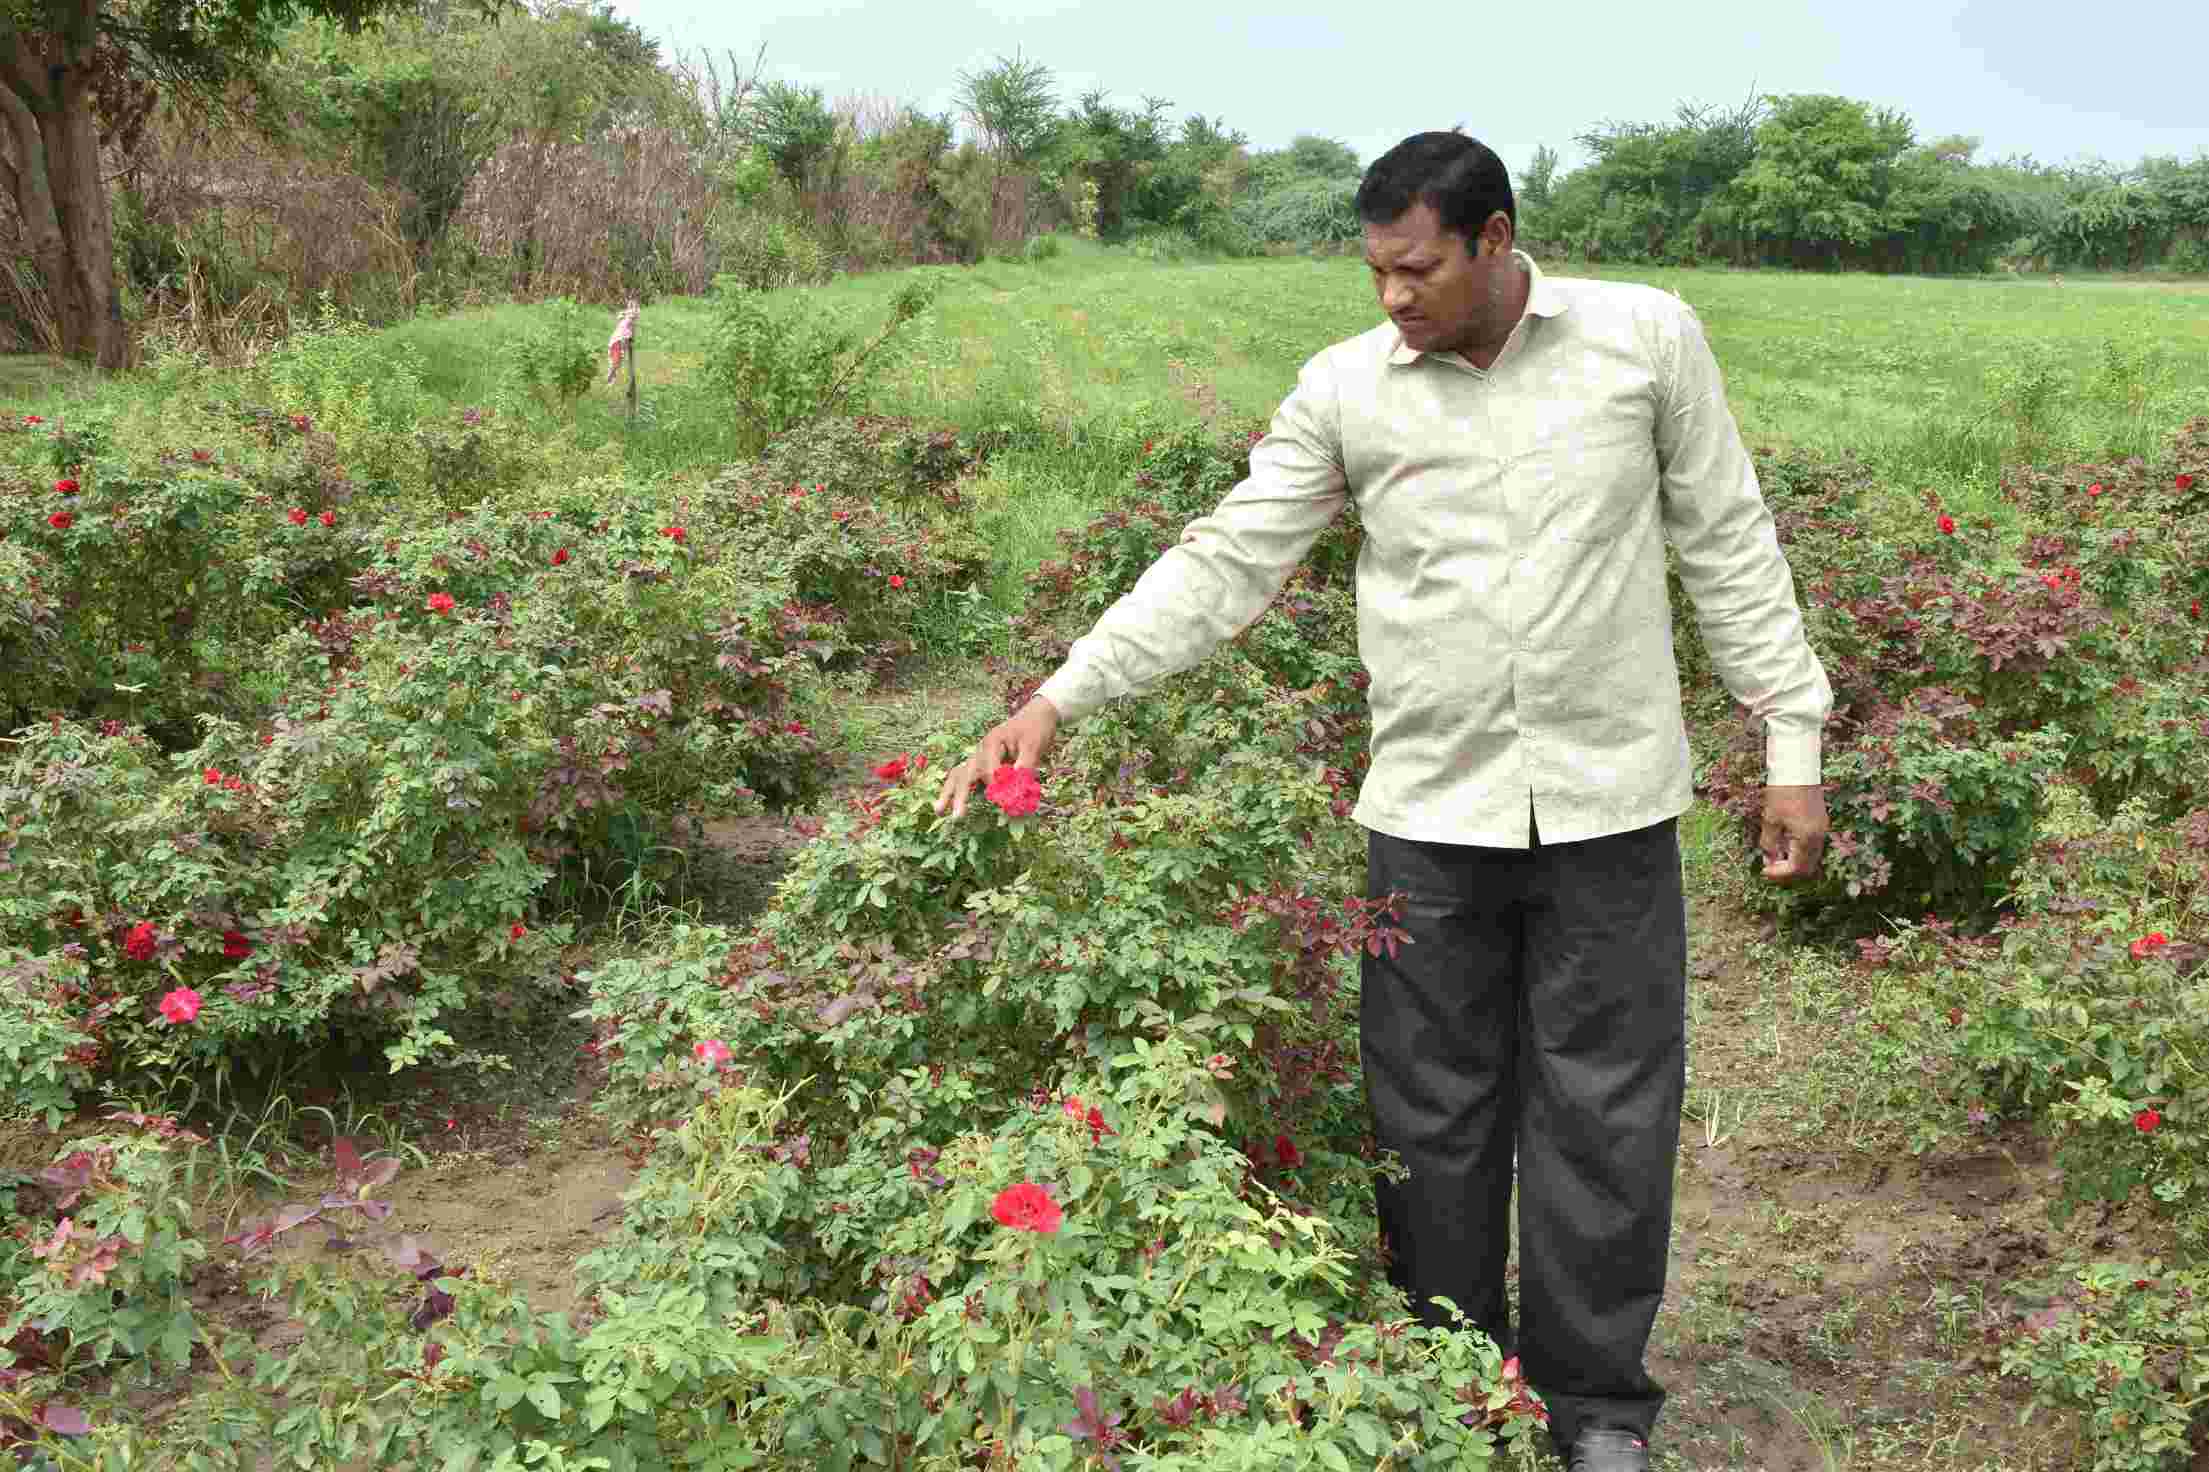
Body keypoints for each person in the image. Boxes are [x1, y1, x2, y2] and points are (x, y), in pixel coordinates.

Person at [934, 130, 1832, 1472]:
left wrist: (1792, 743)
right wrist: (1064, 694)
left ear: (1493, 237)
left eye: (1416, 269)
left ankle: (1593, 1410)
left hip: (1608, 807)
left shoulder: (1642, 339)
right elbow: (1227, 556)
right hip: (1426, 811)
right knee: (1430, 1118)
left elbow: (1723, 533)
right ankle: (1454, 1392)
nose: (1393, 300)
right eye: (1375, 273)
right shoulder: (1347, 389)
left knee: (1605, 1116)